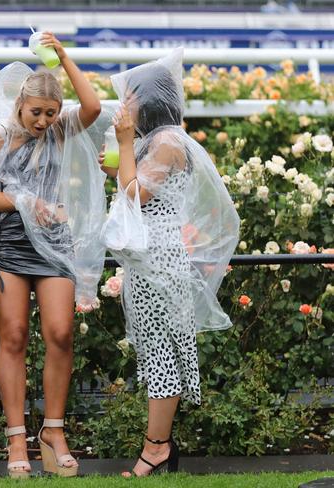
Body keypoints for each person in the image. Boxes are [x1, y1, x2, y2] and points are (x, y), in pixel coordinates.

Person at [0, 32, 107, 478]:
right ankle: (15, 439)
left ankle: (53, 431)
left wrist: (62, 56)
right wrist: (26, 203)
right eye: (36, 112)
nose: (44, 120)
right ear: (20, 105)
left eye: (50, 112)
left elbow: (94, 108)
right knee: (14, 337)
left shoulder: (61, 129)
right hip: (12, 243)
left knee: (61, 332)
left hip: (55, 242)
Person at [100, 48, 240, 477]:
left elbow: (134, 197)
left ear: (151, 100)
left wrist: (124, 145)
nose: (125, 108)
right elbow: (131, 185)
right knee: (156, 351)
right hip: (150, 261)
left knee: (161, 355)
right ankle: (158, 447)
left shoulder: (165, 142)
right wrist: (120, 154)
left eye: (131, 99)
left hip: (158, 262)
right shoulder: (159, 141)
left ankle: (156, 450)